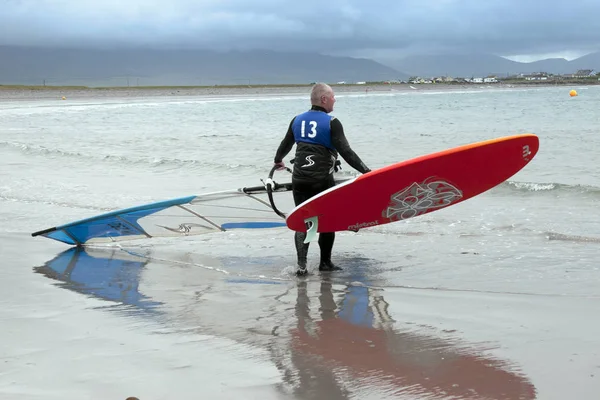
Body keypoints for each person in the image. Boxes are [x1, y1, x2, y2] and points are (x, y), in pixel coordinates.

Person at [273, 83, 371, 276]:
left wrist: (278, 161)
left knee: (304, 221)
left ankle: (301, 267)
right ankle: (325, 263)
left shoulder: (297, 120)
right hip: (321, 181)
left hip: (299, 179)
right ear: (324, 99)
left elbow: (285, 144)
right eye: (333, 96)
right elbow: (346, 152)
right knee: (326, 221)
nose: (335, 100)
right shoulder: (331, 122)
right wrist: (367, 172)